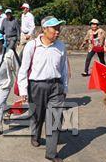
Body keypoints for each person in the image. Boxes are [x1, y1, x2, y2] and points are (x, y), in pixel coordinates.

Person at [17, 16, 69, 162]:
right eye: (55, 28)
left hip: (56, 86)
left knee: (55, 119)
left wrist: (65, 87)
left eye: (59, 28)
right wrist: (23, 91)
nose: (58, 32)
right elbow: (23, 69)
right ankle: (35, 134)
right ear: (44, 29)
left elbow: (64, 69)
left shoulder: (60, 46)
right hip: (36, 86)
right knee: (37, 115)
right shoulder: (32, 45)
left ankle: (51, 153)